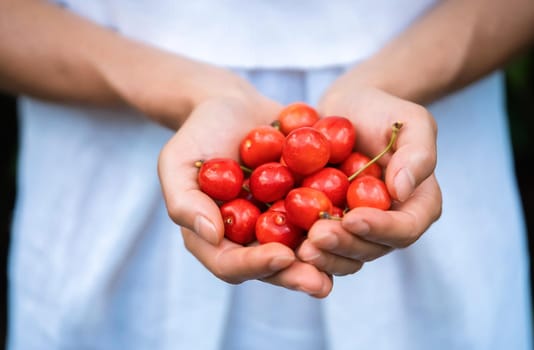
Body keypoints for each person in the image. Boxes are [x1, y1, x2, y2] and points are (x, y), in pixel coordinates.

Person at [1, 0, 533, 349]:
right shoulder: (297, 164)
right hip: (103, 174)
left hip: (419, 131)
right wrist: (185, 89)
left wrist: (387, 84)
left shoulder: (320, 159)